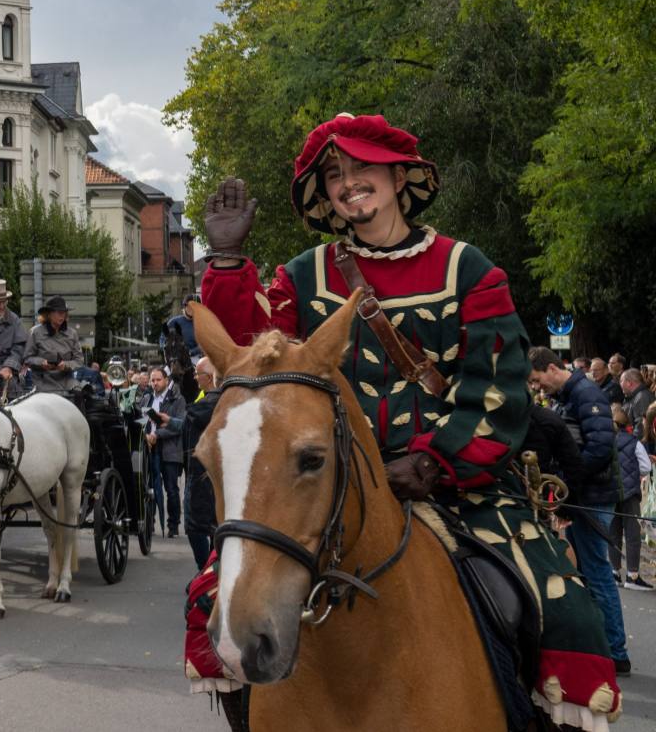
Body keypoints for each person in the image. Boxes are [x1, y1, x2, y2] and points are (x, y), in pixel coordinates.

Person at [189, 112, 619, 724]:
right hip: (329, 485)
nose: (348, 182)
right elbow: (249, 362)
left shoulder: (466, 268)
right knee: (211, 601)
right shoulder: (305, 274)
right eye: (334, 173)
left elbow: (496, 388)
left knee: (565, 611)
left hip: (456, 486)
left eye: (363, 167)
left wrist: (435, 459)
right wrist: (229, 263)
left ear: (398, 177)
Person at [528, 349, 632, 673]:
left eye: (537, 380)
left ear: (549, 368)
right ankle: (603, 645)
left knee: (597, 573)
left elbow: (599, 447)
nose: (538, 388)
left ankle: (615, 651)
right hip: (585, 493)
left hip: (593, 495)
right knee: (588, 572)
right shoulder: (574, 393)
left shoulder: (585, 393)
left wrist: (568, 480)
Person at [180, 357, 221, 569]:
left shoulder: (209, 404)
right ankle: (209, 570)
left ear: (210, 377)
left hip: (202, 473)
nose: (196, 379)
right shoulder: (205, 399)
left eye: (198, 374)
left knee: (198, 526)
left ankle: (207, 571)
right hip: (202, 472)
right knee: (209, 526)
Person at [607, 404, 650, 591]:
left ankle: (614, 571)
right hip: (630, 492)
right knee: (632, 533)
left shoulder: (607, 441)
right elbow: (646, 467)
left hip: (611, 491)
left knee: (613, 532)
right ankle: (632, 575)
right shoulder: (634, 442)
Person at [144, 366, 185, 538]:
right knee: (150, 488)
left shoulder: (177, 399)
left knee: (171, 489)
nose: (154, 383)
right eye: (152, 380)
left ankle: (173, 526)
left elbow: (178, 426)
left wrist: (157, 434)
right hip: (150, 448)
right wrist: (146, 435)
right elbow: (142, 421)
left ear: (166, 380)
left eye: (158, 379)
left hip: (170, 449)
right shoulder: (146, 398)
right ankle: (150, 523)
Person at [22, 296, 80, 394]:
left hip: (66, 379)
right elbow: (27, 358)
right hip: (43, 380)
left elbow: (79, 361)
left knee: (82, 393)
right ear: (48, 314)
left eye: (64, 312)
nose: (62, 316)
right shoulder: (35, 332)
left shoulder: (72, 334)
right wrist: (41, 362)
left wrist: (66, 365)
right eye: (59, 312)